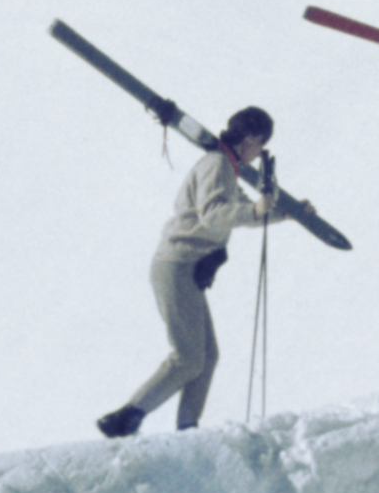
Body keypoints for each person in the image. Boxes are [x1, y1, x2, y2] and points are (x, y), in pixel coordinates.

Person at [96, 104, 321, 435]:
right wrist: (259, 210)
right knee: (189, 357)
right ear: (250, 138)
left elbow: (242, 209)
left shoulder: (227, 169)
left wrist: (283, 214)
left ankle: (188, 427)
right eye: (261, 144)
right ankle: (127, 417)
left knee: (207, 356)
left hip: (186, 268)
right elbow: (215, 214)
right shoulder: (216, 165)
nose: (260, 153)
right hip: (176, 264)